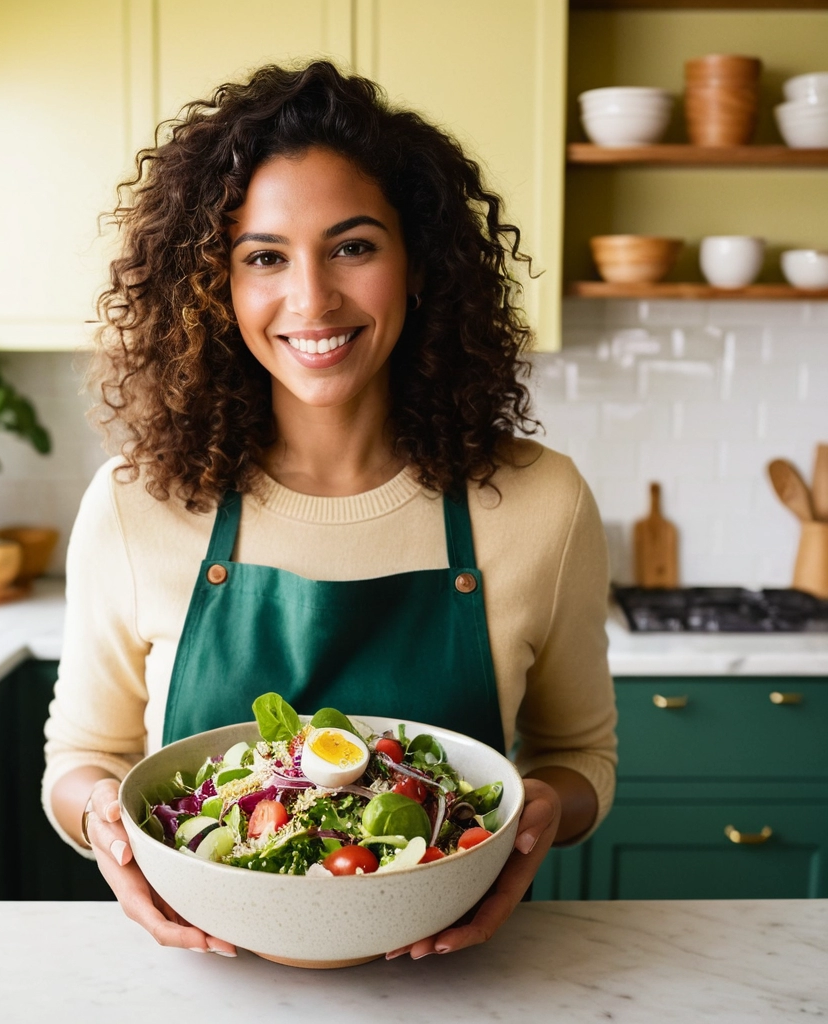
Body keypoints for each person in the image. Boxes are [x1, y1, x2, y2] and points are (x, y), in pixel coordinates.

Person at [43, 60, 616, 960]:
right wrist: (107, 828)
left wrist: (537, 817)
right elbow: (82, 756)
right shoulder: (134, 505)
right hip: (207, 984)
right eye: (263, 257)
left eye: (353, 246)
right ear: (216, 289)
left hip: (462, 985)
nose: (311, 299)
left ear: (419, 262)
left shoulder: (542, 502)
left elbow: (582, 755)